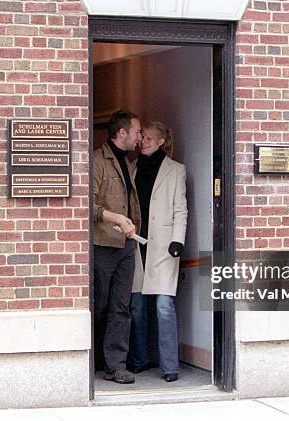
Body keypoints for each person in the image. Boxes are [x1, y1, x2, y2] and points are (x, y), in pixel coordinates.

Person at [127, 121, 187, 382]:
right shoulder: (131, 168)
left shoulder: (176, 170)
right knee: (137, 306)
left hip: (165, 246)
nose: (144, 141)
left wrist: (178, 241)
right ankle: (139, 359)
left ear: (162, 141)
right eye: (143, 137)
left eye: (150, 138)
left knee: (164, 305)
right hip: (136, 242)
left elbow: (180, 210)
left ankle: (170, 366)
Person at [93, 110, 142, 384]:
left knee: (121, 307)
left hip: (125, 246)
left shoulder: (127, 161)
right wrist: (117, 219)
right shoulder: (99, 161)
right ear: (121, 133)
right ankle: (94, 360)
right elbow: (88, 205)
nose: (140, 136)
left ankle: (116, 366)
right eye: (136, 131)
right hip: (102, 245)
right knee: (99, 306)